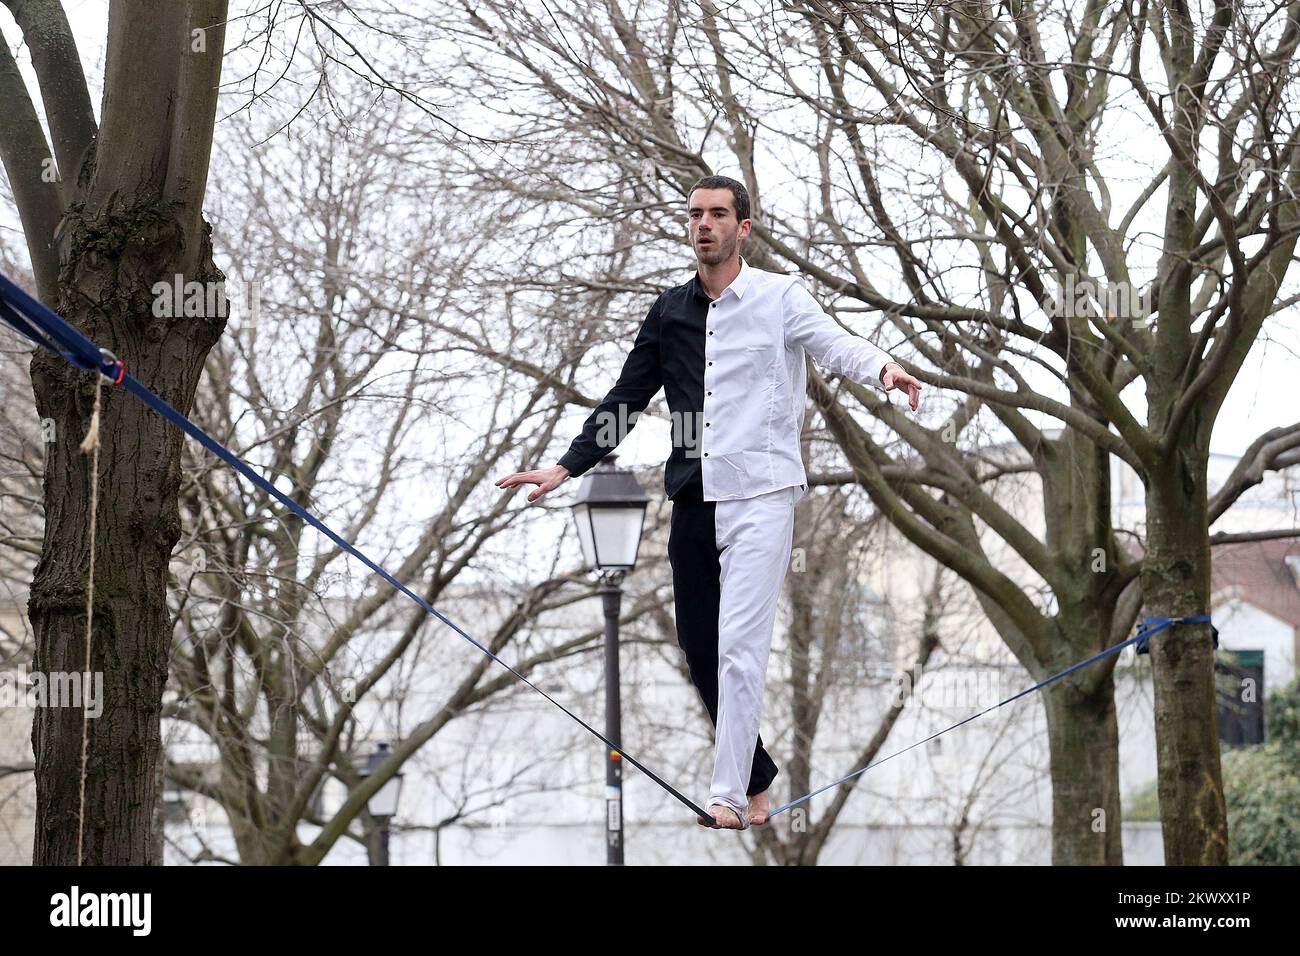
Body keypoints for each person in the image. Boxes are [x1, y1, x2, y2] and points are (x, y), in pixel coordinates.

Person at [496, 175, 922, 830]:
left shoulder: (780, 298)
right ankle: (756, 777)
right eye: (695, 214)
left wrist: (884, 368)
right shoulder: (669, 312)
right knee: (700, 650)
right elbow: (627, 398)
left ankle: (727, 796)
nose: (704, 224)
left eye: (718, 214)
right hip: (695, 496)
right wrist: (566, 465)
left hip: (763, 495)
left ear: (742, 228)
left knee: (739, 647)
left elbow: (834, 343)